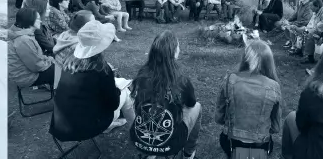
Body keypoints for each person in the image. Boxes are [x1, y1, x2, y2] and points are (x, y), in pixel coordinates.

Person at [50, 17, 124, 153]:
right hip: (83, 128)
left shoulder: (69, 62)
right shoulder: (101, 69)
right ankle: (138, 134)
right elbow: (113, 104)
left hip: (58, 124)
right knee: (126, 95)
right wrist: (118, 90)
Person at [128, 32, 202, 159]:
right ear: (173, 52)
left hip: (139, 140)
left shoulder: (141, 75)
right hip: (172, 143)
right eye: (178, 47)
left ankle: (149, 154)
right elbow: (191, 103)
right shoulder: (181, 80)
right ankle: (188, 152)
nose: (180, 49)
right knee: (197, 107)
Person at [216, 37, 283, 159]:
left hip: (231, 142)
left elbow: (219, 118)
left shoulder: (229, 81)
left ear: (244, 59)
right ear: (269, 62)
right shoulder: (274, 87)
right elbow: (276, 127)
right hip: (261, 145)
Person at [11, 8, 56, 91]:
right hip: (27, 77)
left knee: (59, 64)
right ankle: (65, 98)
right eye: (38, 19)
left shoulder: (25, 34)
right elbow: (36, 66)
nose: (40, 21)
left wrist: (48, 59)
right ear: (30, 21)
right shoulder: (24, 40)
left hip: (28, 72)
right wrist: (50, 61)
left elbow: (36, 58)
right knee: (63, 70)